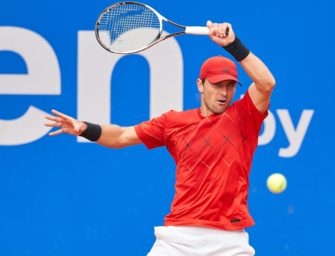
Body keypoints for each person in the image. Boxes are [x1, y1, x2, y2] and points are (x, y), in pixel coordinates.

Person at [45, 20, 275, 256]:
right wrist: (84, 127)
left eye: (230, 86)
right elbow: (121, 136)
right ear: (201, 85)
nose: (224, 93)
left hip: (229, 241)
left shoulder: (244, 116)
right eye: (217, 85)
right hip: (179, 239)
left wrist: (232, 44)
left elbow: (267, 83)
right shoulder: (173, 123)